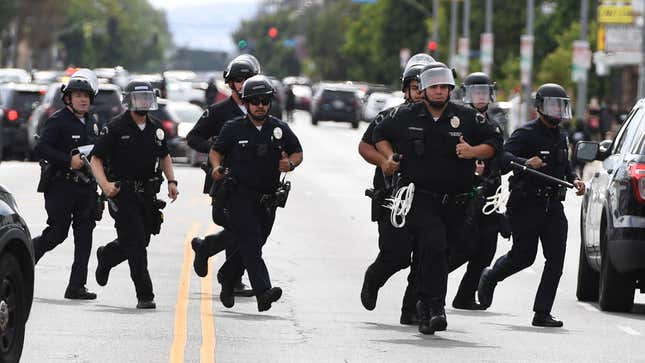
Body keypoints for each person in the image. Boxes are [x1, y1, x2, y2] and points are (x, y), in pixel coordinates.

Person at [373, 62, 501, 334]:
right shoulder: (405, 115)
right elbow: (378, 135)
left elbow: (494, 143)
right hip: (420, 198)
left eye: (445, 87)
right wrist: (388, 159)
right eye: (434, 88)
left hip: (456, 200)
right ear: (426, 89)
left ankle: (423, 306)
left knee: (443, 253)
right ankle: (434, 308)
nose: (440, 92)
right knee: (434, 244)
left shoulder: (466, 117)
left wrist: (473, 151)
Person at [477, 83, 586, 327]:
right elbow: (502, 158)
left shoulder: (561, 136)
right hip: (526, 204)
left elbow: (565, 169)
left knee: (556, 260)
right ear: (539, 107)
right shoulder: (525, 133)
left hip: (553, 207)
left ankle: (542, 312)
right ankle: (490, 276)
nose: (557, 111)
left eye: (561, 106)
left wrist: (576, 180)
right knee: (523, 256)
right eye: (552, 105)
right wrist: (526, 162)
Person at [209, 75, 303, 312]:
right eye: (255, 101)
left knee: (255, 244)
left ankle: (227, 276)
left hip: (268, 199)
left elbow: (297, 152)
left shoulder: (279, 129)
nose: (260, 105)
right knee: (250, 243)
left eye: (264, 101)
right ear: (246, 102)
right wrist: (217, 168)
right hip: (240, 195)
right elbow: (216, 152)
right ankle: (263, 292)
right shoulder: (233, 128)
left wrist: (289, 165)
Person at [90, 80, 179, 309]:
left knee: (140, 240)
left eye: (146, 98)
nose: (143, 103)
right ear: (128, 101)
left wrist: (171, 181)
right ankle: (145, 295)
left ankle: (108, 255)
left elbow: (164, 155)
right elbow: (96, 159)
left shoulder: (155, 128)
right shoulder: (116, 127)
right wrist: (105, 186)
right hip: (123, 194)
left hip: (147, 195)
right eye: (138, 99)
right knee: (137, 244)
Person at [358, 55, 432, 326]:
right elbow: (365, 146)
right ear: (406, 89)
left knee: (426, 255)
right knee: (398, 255)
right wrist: (384, 161)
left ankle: (411, 309)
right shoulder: (391, 116)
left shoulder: (447, 120)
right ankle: (374, 278)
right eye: (416, 86)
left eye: (427, 85)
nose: (421, 92)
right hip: (394, 198)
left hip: (429, 200)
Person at [188, 56, 260, 297]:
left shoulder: (261, 111)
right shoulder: (218, 111)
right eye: (237, 80)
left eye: (246, 79)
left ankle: (207, 248)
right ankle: (231, 276)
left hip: (254, 181)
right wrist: (215, 150)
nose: (242, 84)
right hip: (225, 181)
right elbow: (193, 137)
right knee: (240, 226)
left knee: (249, 228)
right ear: (229, 84)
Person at [32, 68, 101, 300]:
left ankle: (76, 286)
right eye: (78, 95)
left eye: (86, 96)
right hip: (61, 186)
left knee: (85, 238)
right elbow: (41, 148)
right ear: (68, 98)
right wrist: (67, 161)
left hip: (86, 189)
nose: (83, 99)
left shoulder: (93, 122)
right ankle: (23, 260)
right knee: (57, 233)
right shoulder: (58, 120)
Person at [446, 72, 506, 310]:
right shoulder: (457, 122)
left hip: (489, 196)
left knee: (486, 249)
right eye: (475, 92)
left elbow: (500, 154)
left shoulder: (494, 126)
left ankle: (465, 295)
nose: (480, 97)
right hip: (463, 196)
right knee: (461, 248)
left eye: (484, 92)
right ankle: (426, 285)